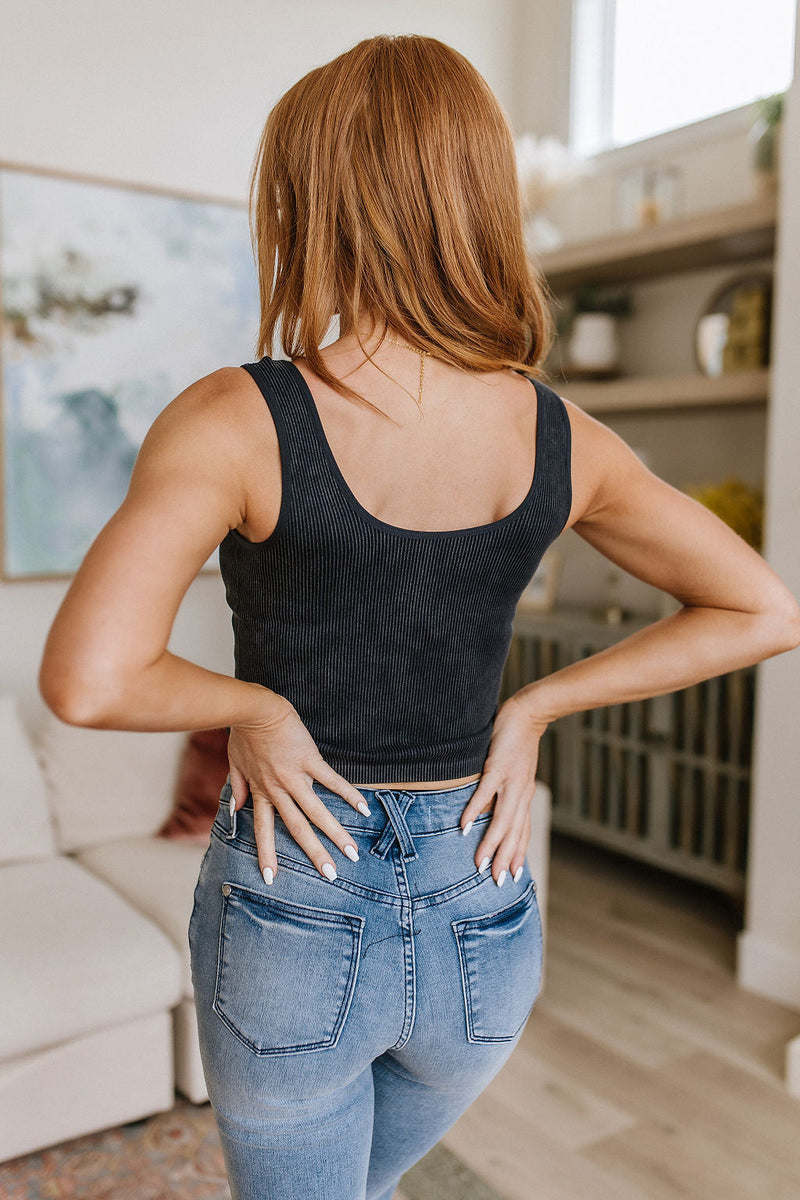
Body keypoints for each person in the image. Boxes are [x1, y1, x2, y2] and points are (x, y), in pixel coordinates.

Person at [39, 32, 799, 1200]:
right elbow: (760, 608)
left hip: (297, 897)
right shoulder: (560, 435)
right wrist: (537, 706)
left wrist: (254, 705)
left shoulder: (235, 419)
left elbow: (88, 681)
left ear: (316, 201)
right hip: (485, 914)